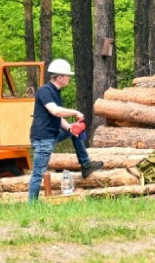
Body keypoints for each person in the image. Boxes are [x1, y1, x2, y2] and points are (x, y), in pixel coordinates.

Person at [28, 58, 103, 200]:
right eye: (67, 75)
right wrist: (74, 112)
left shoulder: (56, 92)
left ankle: (86, 165)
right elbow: (55, 111)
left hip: (54, 133)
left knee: (75, 133)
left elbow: (58, 117)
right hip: (43, 138)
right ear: (59, 77)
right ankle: (32, 205)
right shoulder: (45, 91)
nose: (69, 78)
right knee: (38, 173)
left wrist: (70, 128)